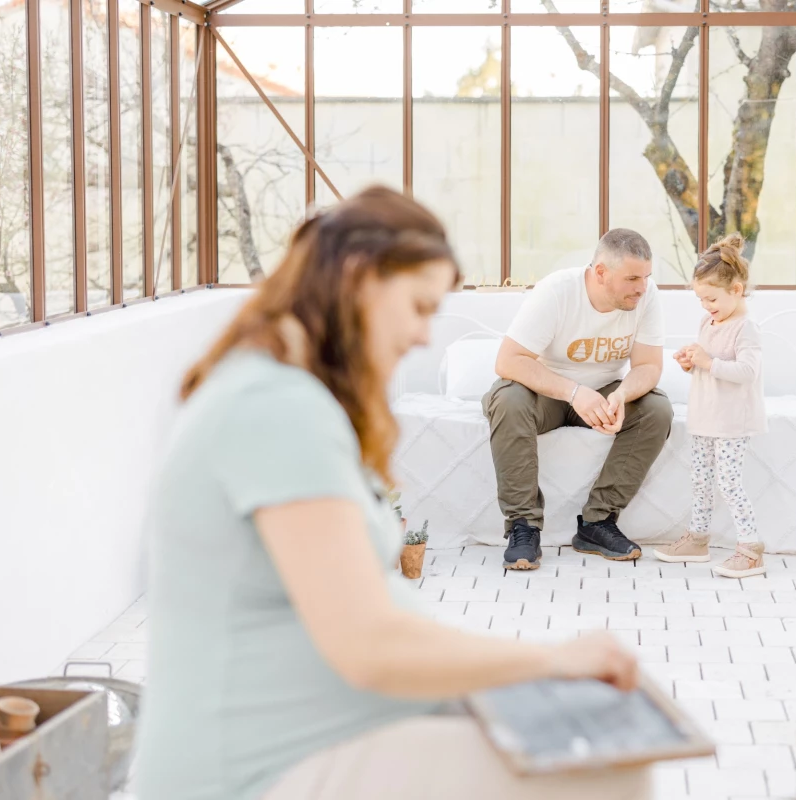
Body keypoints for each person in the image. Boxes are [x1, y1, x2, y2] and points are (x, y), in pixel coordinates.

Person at [133, 186, 651, 800]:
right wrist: (552, 663)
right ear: (358, 279)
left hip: (331, 732)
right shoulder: (273, 407)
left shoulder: (287, 391)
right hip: (259, 770)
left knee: (592, 745)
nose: (424, 335)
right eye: (418, 306)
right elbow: (369, 645)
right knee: (605, 770)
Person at [484, 229, 674, 570]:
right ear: (600, 272)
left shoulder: (646, 296)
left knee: (657, 409)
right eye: (632, 278)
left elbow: (648, 366)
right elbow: (508, 361)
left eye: (646, 277)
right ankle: (523, 526)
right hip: (546, 394)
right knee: (507, 400)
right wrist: (574, 392)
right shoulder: (557, 292)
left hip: (603, 392)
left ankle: (597, 523)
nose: (642, 287)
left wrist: (621, 395)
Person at [652, 234, 768, 579]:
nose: (705, 306)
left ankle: (751, 549)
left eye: (711, 298)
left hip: (731, 421)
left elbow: (747, 373)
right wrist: (692, 362)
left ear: (737, 289)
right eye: (701, 299)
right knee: (701, 481)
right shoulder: (709, 322)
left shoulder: (745, 328)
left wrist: (707, 361)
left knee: (729, 483)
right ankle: (698, 539)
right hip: (705, 416)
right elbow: (709, 363)